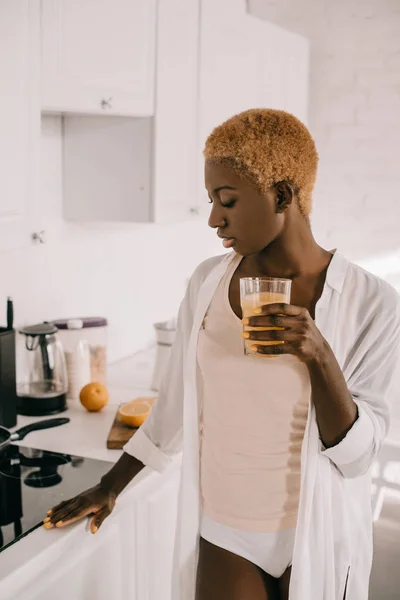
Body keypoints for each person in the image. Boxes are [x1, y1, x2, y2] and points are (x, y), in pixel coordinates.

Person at [44, 109, 400, 600]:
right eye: (211, 200)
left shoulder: (372, 302)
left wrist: (319, 355)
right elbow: (171, 408)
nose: (214, 219)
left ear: (281, 195)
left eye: (227, 200)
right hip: (227, 529)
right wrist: (110, 485)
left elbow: (359, 458)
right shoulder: (207, 282)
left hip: (319, 529)